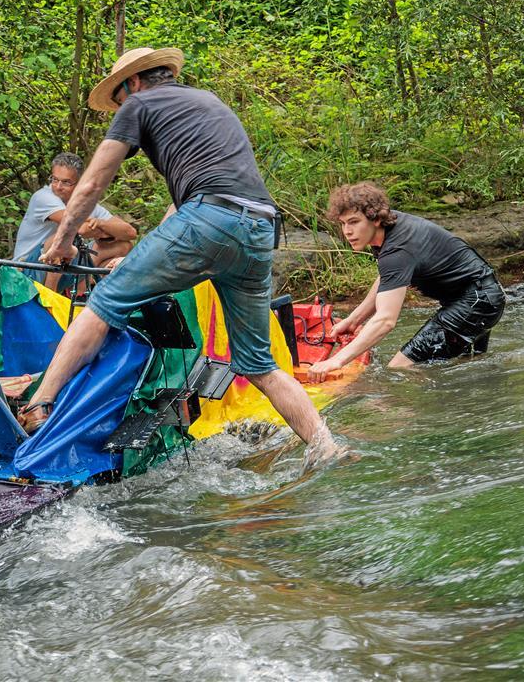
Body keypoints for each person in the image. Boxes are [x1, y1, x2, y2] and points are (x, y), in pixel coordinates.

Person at [17, 46, 345, 467]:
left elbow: (94, 181)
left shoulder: (138, 103)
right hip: (261, 227)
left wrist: (62, 243)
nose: (119, 106)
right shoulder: (209, 102)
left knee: (103, 303)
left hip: (210, 217)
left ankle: (38, 405)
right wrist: (152, 255)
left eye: (118, 98)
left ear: (132, 83)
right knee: (260, 364)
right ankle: (326, 446)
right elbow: (187, 205)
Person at [307, 182, 506, 382]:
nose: (347, 231)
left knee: (400, 368)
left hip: (477, 302)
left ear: (375, 219)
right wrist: (354, 320)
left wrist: (337, 361)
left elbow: (386, 320)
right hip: (483, 297)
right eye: (343, 223)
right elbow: (389, 278)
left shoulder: (397, 249)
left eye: (354, 222)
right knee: (470, 369)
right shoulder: (389, 230)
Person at [12, 152, 136, 291]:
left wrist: (101, 223)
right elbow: (79, 228)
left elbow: (130, 233)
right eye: (54, 179)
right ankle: (48, 303)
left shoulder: (86, 202)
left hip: (63, 267)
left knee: (123, 246)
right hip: (28, 269)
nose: (58, 186)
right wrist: (105, 230)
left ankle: (87, 297)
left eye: (66, 182)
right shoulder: (43, 197)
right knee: (62, 237)